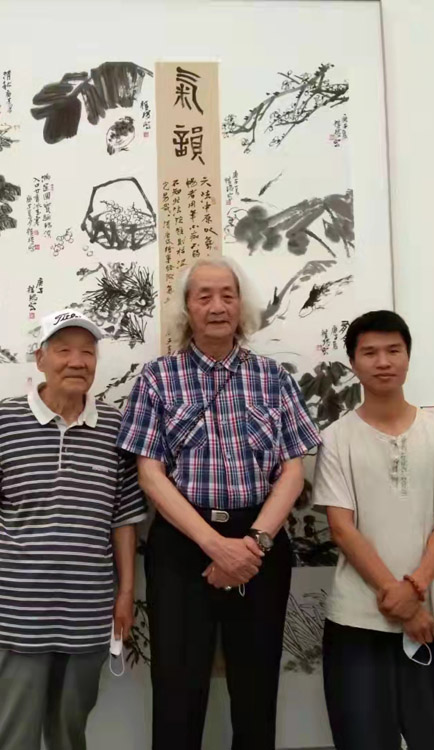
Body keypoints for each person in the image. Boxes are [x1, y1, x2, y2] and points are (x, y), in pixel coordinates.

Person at [117, 258, 321, 750]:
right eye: (204, 296)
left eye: (227, 295)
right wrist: (215, 546)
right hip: (182, 544)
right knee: (177, 689)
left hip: (259, 543)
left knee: (256, 688)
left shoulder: (273, 377)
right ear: (187, 308)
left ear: (241, 305)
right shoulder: (158, 378)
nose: (217, 306)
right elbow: (150, 475)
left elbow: (293, 472)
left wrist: (252, 544)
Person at [0, 309, 147, 750]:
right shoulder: (5, 420)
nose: (77, 361)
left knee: (69, 735)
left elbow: (123, 521)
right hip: (10, 614)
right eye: (63, 350)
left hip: (86, 615)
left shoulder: (114, 427)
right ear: (41, 359)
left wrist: (125, 594)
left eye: (87, 352)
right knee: (8, 738)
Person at [313, 310, 434, 750]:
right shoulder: (336, 439)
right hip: (358, 618)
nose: (383, 361)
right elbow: (342, 528)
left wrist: (416, 588)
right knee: (362, 738)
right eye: (370, 352)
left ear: (408, 356)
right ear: (353, 362)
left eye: (393, 350)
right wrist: (400, 601)